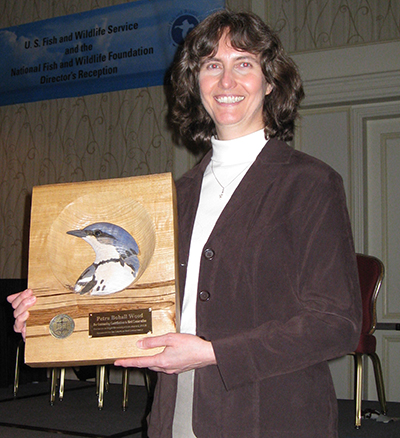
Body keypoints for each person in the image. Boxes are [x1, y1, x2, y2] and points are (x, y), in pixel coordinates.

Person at [9, 9, 361, 438]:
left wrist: (213, 353)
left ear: (270, 82)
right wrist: (52, 314)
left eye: (243, 64)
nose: (226, 81)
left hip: (271, 414)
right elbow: (129, 300)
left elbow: (336, 324)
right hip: (176, 412)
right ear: (197, 83)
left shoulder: (310, 184)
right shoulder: (175, 197)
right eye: (212, 66)